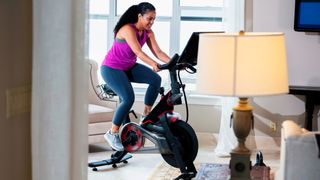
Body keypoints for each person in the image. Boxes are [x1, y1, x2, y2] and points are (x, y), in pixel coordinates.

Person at [101, 2, 170, 151]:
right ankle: (112, 133)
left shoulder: (148, 32)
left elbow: (159, 53)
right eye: (149, 18)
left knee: (155, 79)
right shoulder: (127, 29)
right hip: (111, 68)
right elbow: (138, 52)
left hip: (128, 67)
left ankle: (146, 117)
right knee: (128, 99)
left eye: (154, 19)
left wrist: (175, 63)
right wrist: (153, 63)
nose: (151, 22)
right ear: (140, 16)